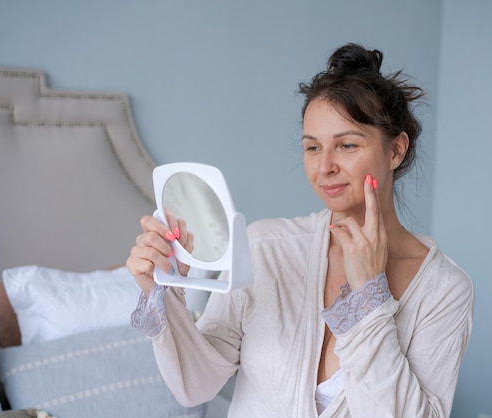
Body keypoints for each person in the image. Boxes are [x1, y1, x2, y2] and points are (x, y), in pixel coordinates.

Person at [127, 43, 474, 418]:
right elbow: (195, 386)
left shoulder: (443, 289)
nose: (324, 166)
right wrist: (164, 291)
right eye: (312, 148)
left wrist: (370, 297)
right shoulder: (265, 248)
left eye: (347, 145)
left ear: (395, 151)